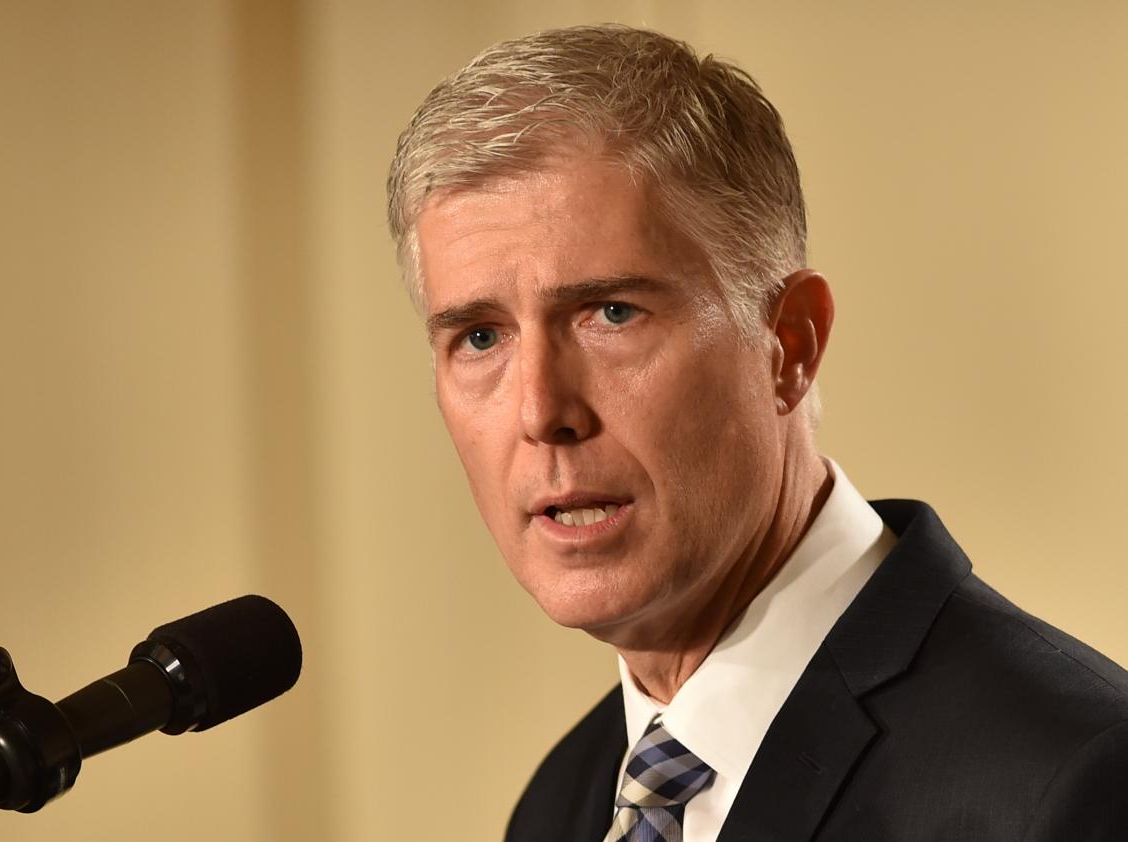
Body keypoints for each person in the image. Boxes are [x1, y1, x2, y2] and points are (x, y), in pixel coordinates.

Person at [386, 23, 1128, 842]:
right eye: (479, 337)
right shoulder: (559, 805)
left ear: (790, 344)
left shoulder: (1073, 782)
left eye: (612, 313)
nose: (540, 412)